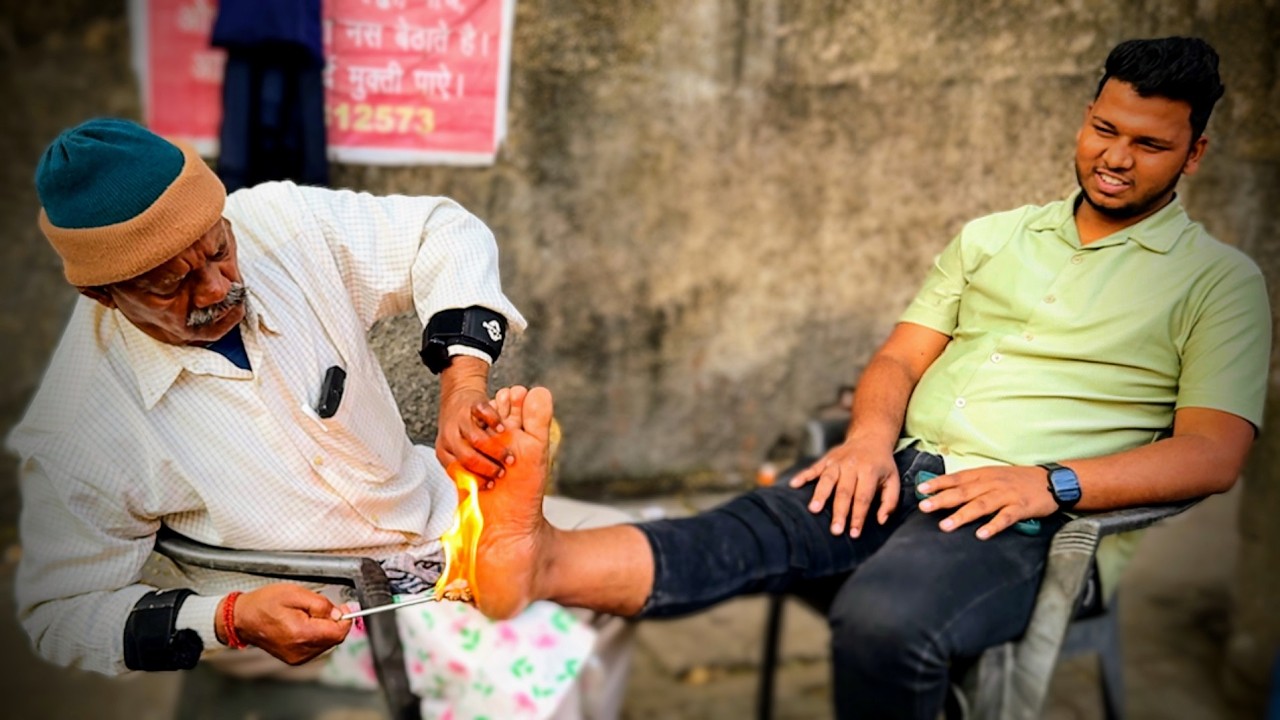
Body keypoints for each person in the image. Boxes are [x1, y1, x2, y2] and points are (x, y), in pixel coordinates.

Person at [459, 37, 1272, 719]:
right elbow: (899, 358)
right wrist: (868, 442)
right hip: (904, 469)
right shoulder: (994, 237)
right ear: (1087, 116)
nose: (1116, 158)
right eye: (1104, 129)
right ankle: (540, 561)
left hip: (1030, 523)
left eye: (1150, 144)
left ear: (1194, 153)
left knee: (883, 619)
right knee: (752, 528)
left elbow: (1212, 454)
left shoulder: (1218, 283)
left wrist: (1047, 483)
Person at [8, 118, 632, 719]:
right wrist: (228, 617)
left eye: (218, 250)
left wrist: (462, 383)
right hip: (329, 610)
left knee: (631, 563)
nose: (216, 288)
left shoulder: (279, 223)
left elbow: (442, 229)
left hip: (433, 507)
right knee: (546, 677)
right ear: (103, 295)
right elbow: (59, 614)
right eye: (169, 287)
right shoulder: (78, 429)